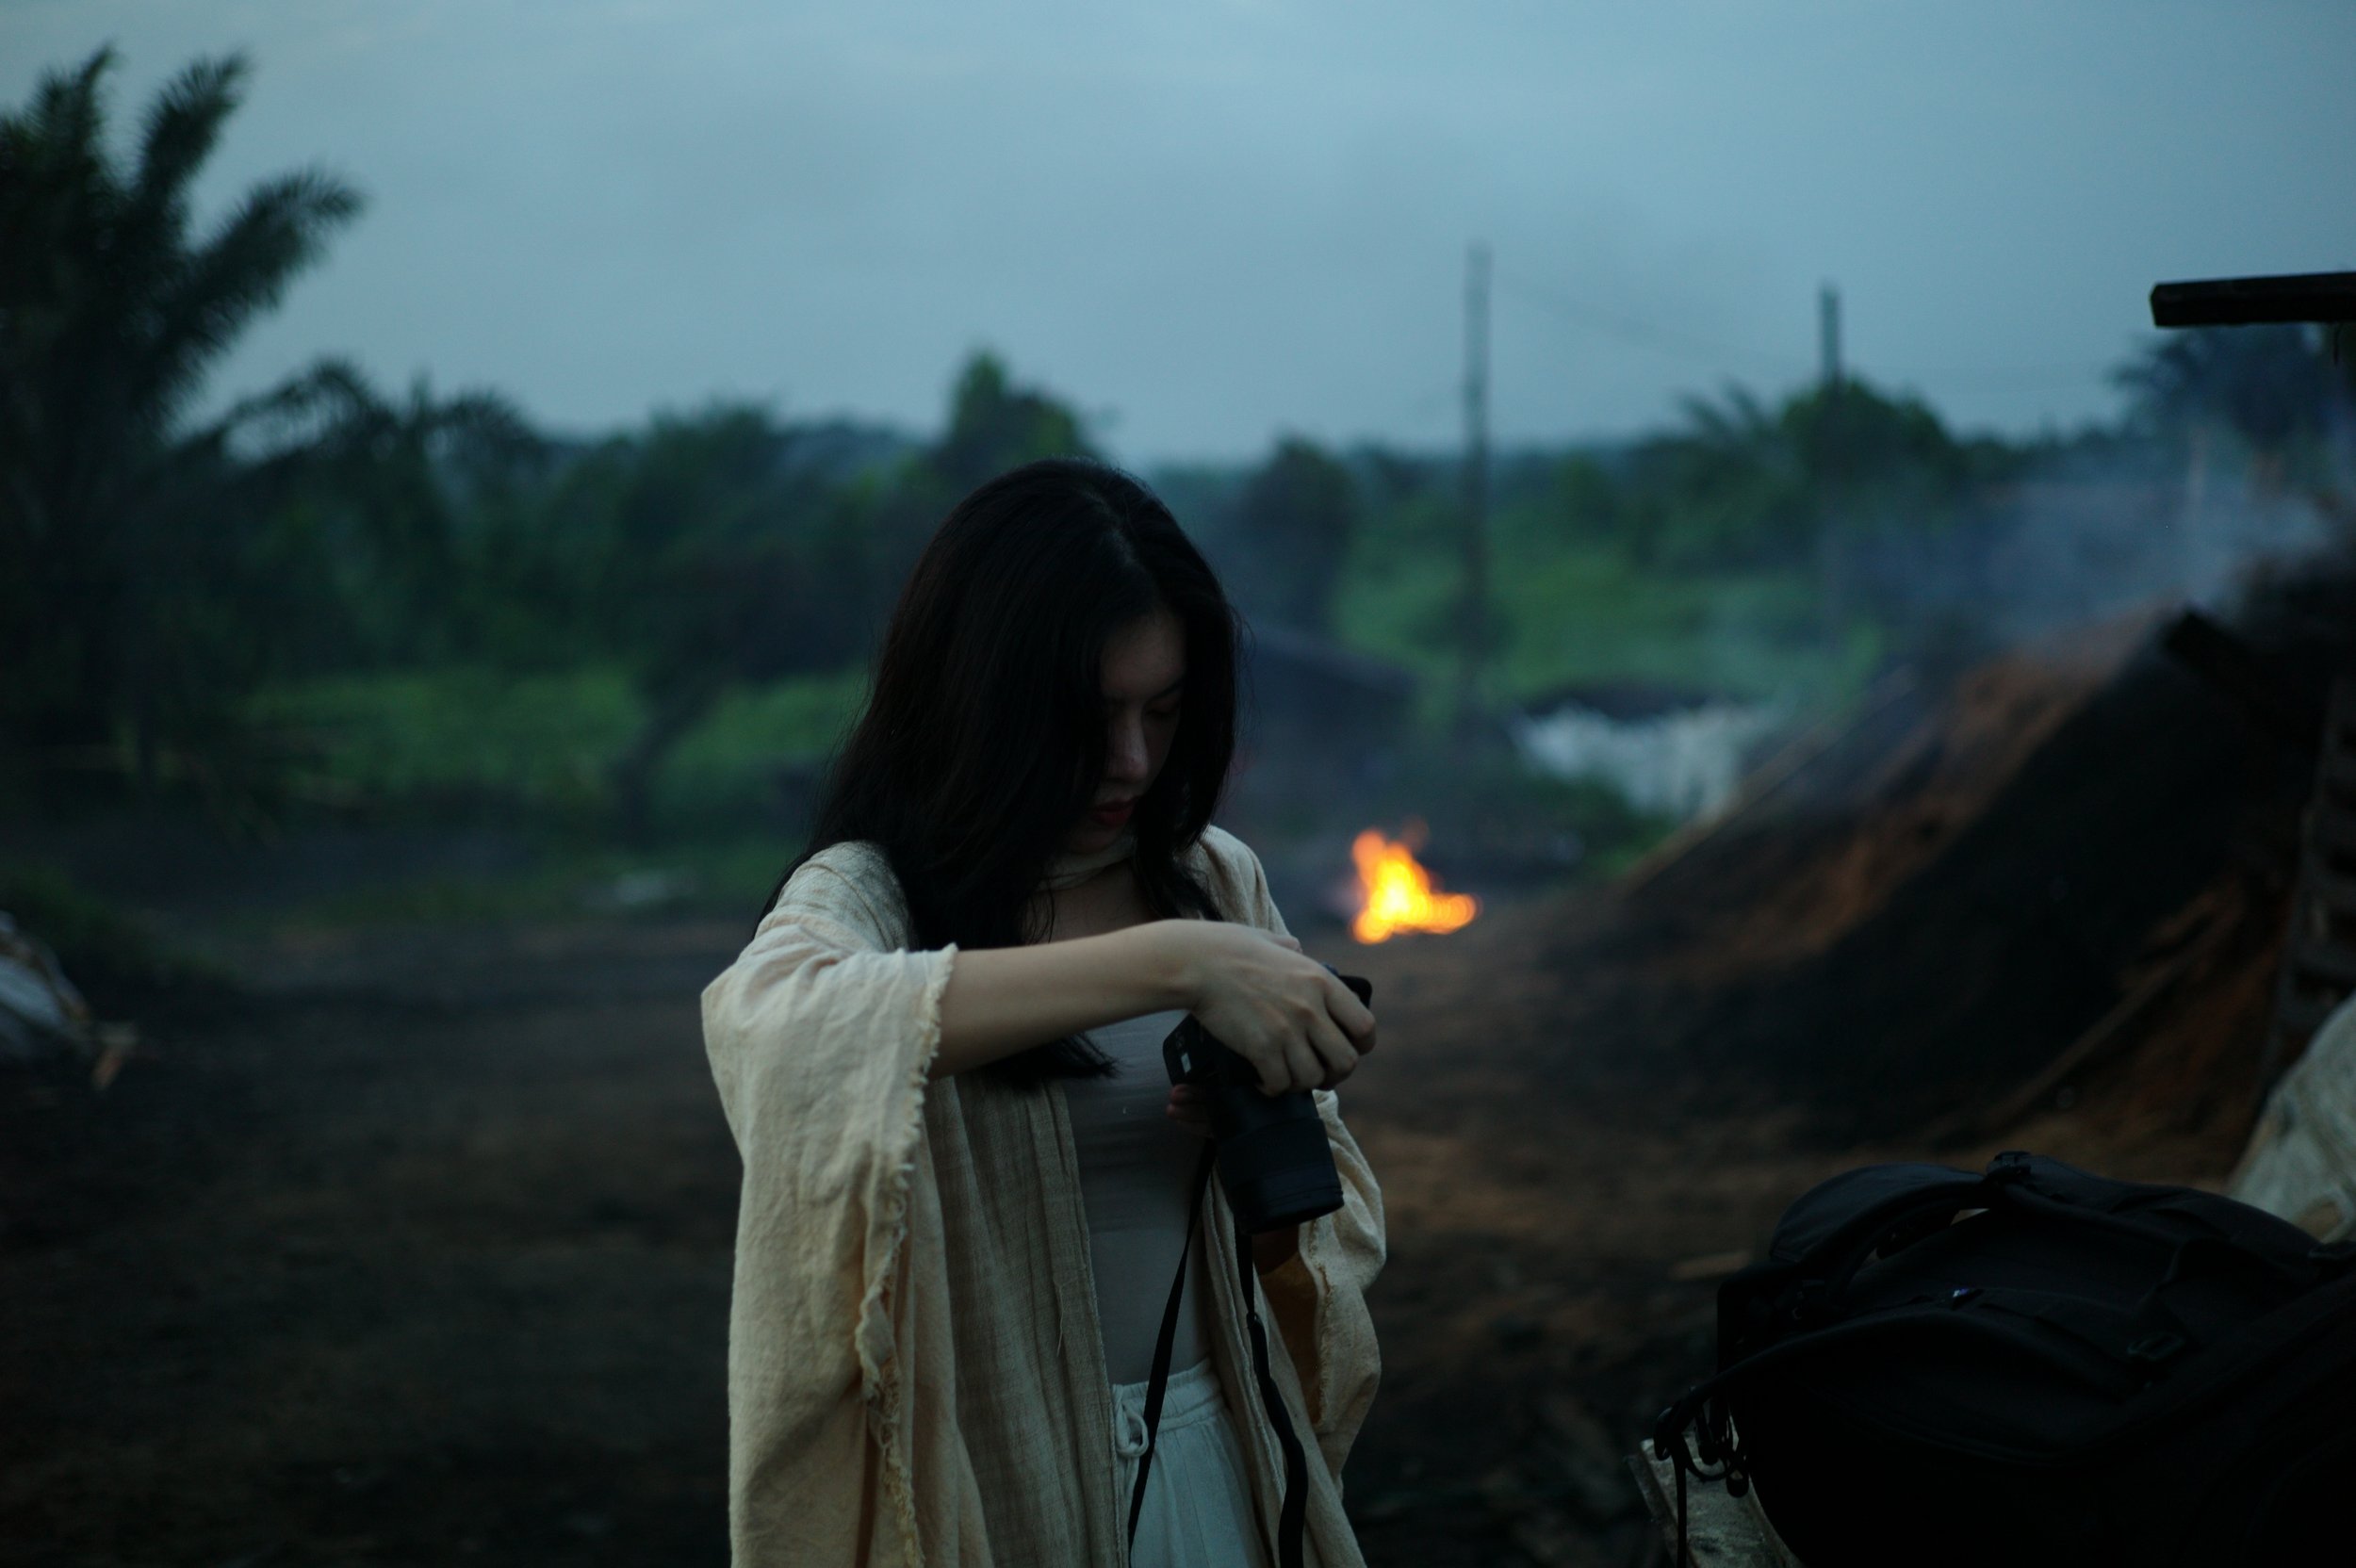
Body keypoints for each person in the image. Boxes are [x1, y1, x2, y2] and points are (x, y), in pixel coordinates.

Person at [701, 459, 1385, 1567]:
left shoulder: (1213, 879)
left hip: (1210, 1457)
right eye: (1089, 716)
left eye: (1162, 712)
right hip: (982, 1482)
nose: (1130, 760)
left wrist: (1256, 1147)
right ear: (982, 701)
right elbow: (779, 1033)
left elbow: (1302, 1253)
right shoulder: (872, 894)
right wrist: (1168, 964)